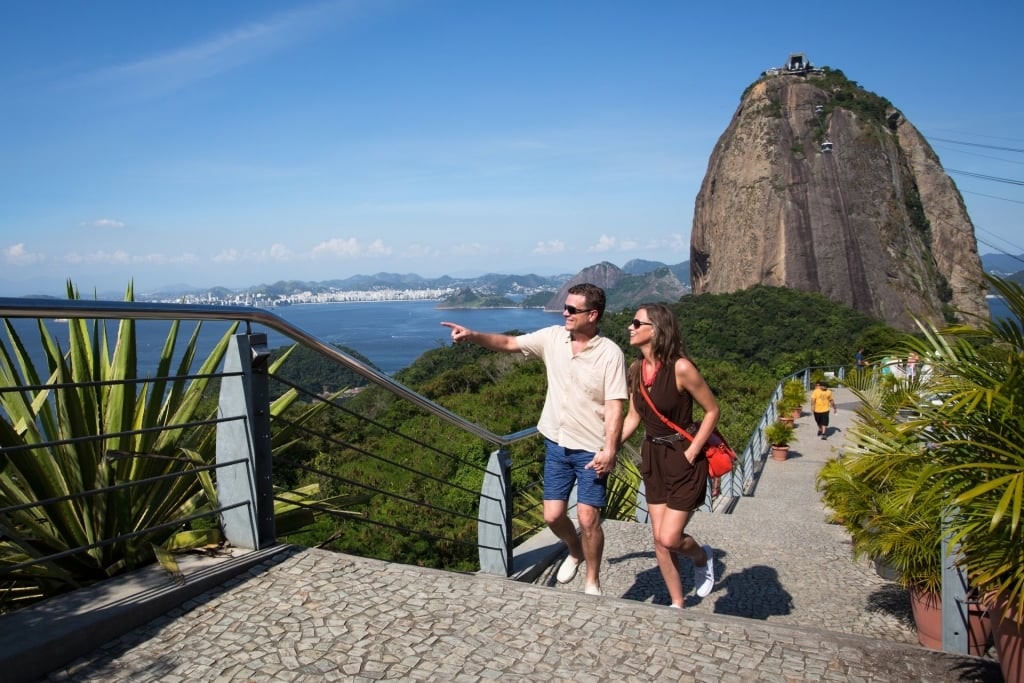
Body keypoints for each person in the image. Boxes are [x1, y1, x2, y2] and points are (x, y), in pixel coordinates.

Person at [441, 283, 626, 596]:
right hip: (556, 443)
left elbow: (615, 406)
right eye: (565, 307)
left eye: (572, 310)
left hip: (591, 450)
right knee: (552, 515)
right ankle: (575, 550)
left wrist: (610, 449)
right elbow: (509, 342)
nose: (564, 313)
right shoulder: (553, 338)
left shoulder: (610, 354)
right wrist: (472, 335)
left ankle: (592, 581)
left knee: (588, 518)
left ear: (592, 315)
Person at [620, 303, 719, 607]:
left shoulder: (681, 368)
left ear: (657, 330)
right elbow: (634, 417)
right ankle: (677, 605)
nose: (630, 328)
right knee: (659, 542)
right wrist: (608, 447)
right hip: (653, 457)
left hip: (682, 455)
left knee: (670, 538)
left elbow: (712, 410)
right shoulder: (636, 369)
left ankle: (702, 557)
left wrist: (691, 451)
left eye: (637, 323)